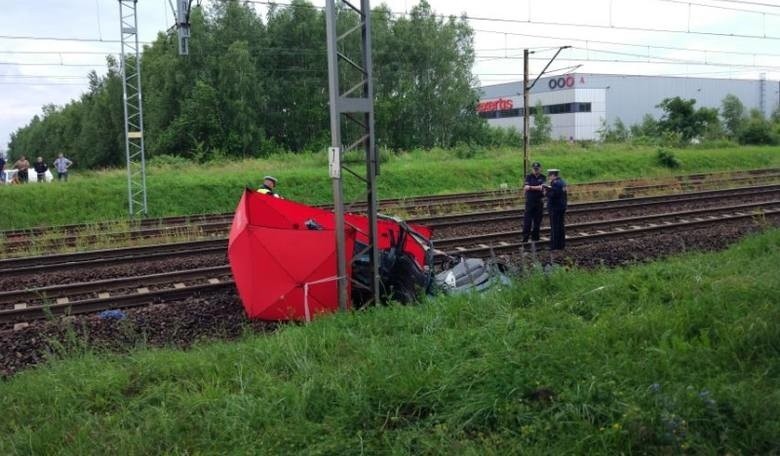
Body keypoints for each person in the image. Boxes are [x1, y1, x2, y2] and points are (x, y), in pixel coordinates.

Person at [522, 161, 546, 243]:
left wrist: (531, 187)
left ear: (540, 169)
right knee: (527, 221)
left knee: (537, 221)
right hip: (530, 202)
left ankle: (535, 238)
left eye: (537, 169)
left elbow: (542, 188)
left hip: (539, 202)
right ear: (532, 169)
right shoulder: (529, 177)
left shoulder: (543, 177)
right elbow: (526, 187)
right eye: (534, 169)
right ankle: (525, 238)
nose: (536, 170)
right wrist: (537, 187)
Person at [545, 169, 568, 250]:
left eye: (549, 176)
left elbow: (552, 195)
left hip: (554, 208)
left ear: (553, 175)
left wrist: (546, 191)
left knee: (554, 227)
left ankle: (554, 245)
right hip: (562, 207)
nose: (549, 178)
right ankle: (561, 245)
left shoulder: (555, 183)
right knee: (561, 226)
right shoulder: (562, 182)